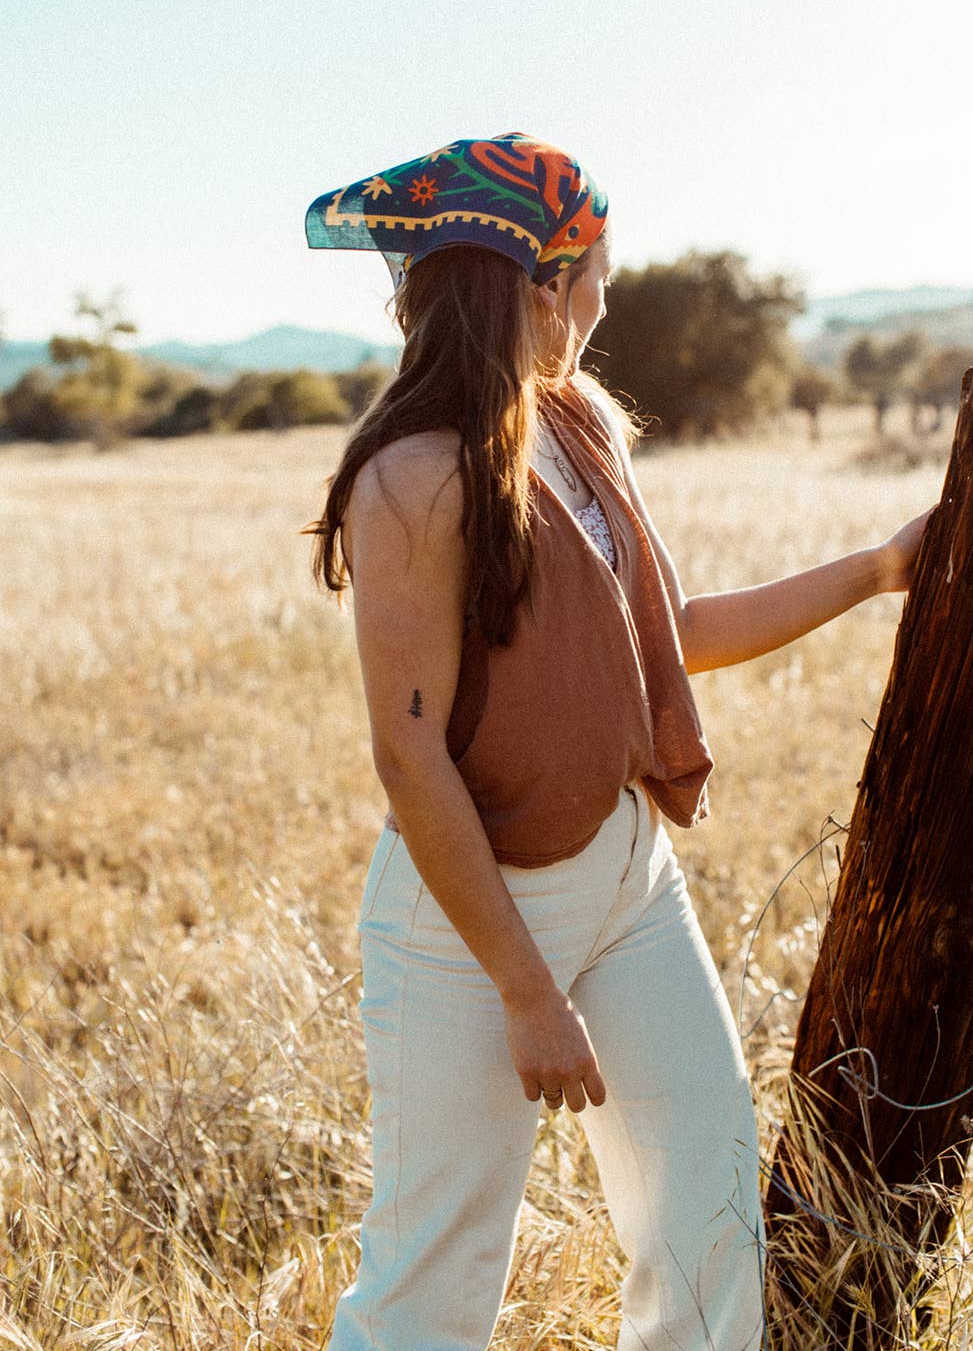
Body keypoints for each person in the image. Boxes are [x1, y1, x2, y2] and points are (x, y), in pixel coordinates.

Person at [306, 133, 930, 1351]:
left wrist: (877, 570)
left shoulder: (580, 421)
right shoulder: (412, 480)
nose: (603, 302)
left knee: (704, 1216)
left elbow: (670, 632)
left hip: (631, 885)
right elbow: (409, 759)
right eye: (594, 275)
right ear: (539, 285)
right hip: (470, 924)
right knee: (433, 1276)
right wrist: (526, 993)